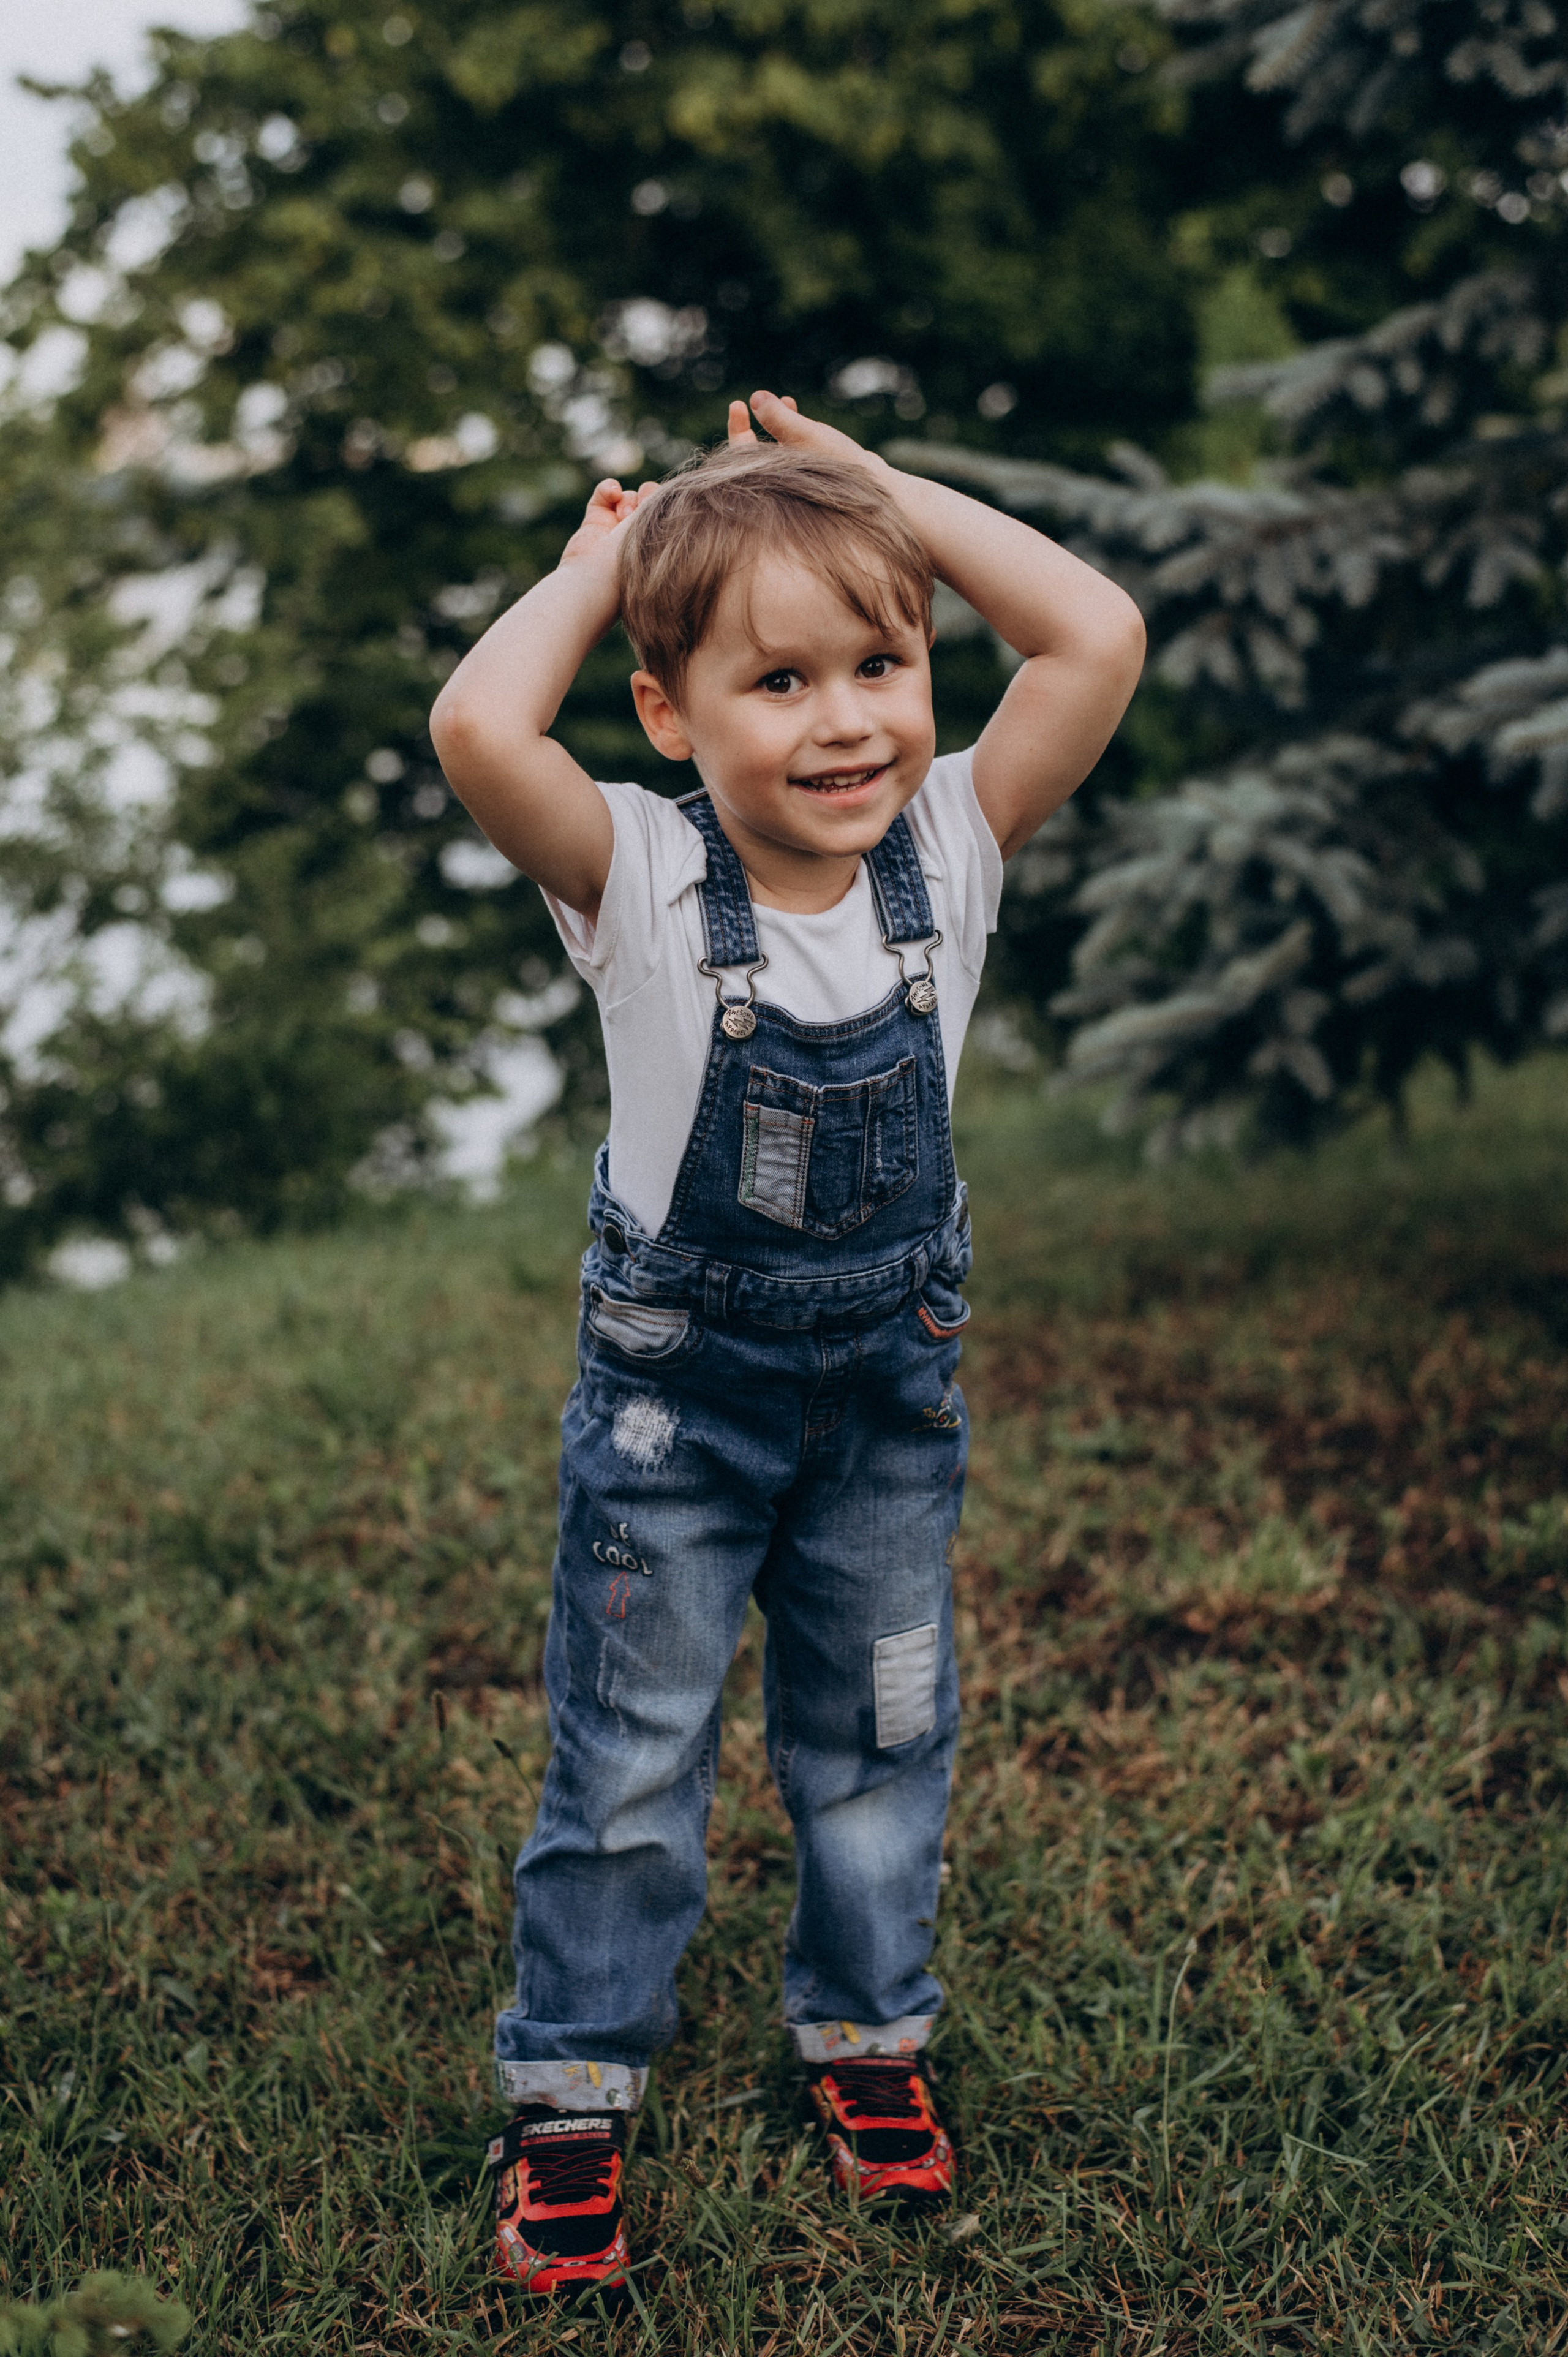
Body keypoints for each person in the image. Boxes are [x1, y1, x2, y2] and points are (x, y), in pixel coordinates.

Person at [430, 391, 1144, 2303]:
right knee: (631, 1765)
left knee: (880, 1737)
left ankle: (867, 2036)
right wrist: (602, 568)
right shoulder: (642, 880)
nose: (846, 722)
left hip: (889, 1412)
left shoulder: (955, 843)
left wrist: (876, 492)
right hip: (676, 1423)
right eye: (778, 681)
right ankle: (573, 2098)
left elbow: (1097, 632)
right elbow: (482, 728)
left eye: (882, 665)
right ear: (668, 714)